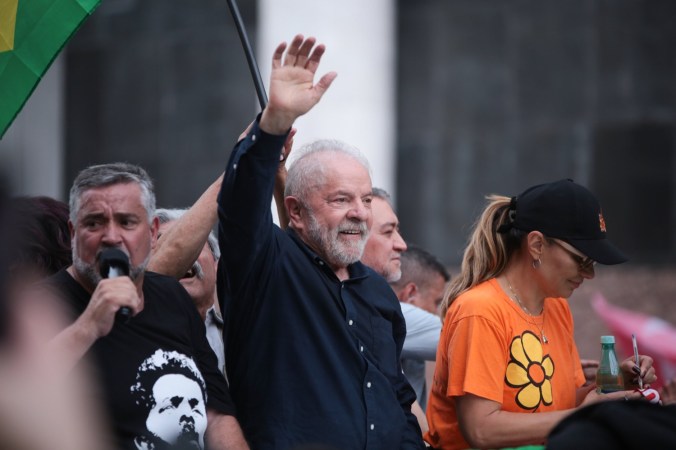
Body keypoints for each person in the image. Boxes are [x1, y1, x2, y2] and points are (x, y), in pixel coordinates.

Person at [218, 35, 424, 449]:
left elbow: (394, 394)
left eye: (365, 200)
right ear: (295, 211)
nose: (360, 213)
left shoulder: (378, 293)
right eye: (341, 200)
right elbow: (240, 204)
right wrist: (274, 123)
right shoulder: (267, 266)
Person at [424, 179, 657, 450]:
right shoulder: (480, 311)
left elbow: (555, 405)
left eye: (592, 263)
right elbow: (481, 430)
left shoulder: (556, 307)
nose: (590, 274)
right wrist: (586, 413)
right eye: (582, 260)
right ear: (536, 244)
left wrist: (614, 386)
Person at [45, 162, 248, 450]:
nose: (112, 237)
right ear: (73, 232)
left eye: (127, 222)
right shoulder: (39, 305)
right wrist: (88, 325)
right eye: (94, 223)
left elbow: (216, 413)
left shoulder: (170, 296)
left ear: (153, 233)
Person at [154, 208, 225, 374]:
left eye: (192, 246)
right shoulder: (136, 334)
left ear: (217, 266)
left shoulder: (247, 325)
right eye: (164, 247)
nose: (181, 257)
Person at [390, 244, 450, 412]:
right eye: (436, 302)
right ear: (411, 293)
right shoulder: (400, 316)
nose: (437, 312)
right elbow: (473, 340)